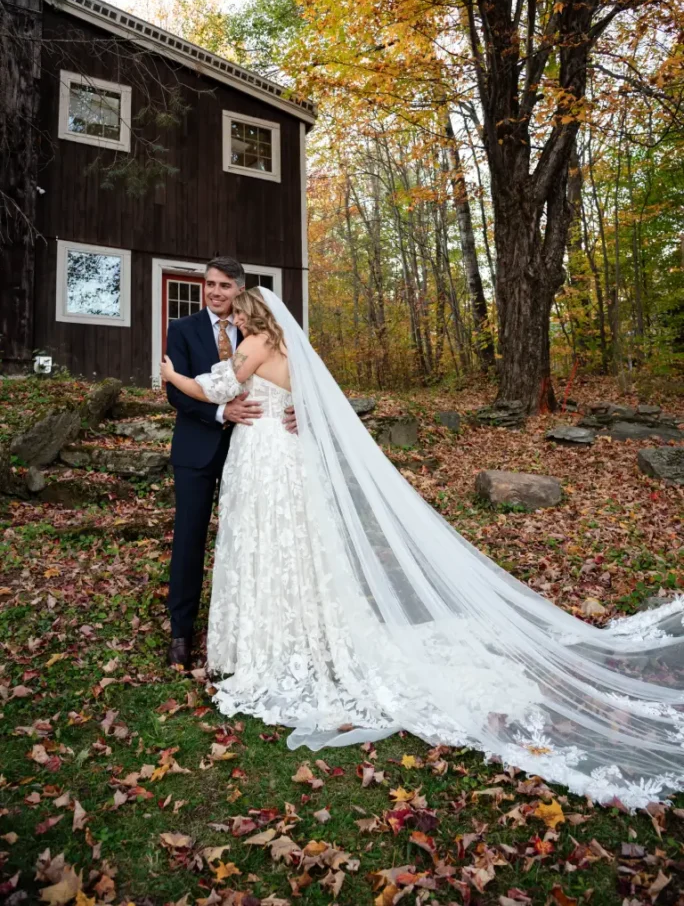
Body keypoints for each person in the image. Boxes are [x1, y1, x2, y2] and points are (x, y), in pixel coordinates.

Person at [161, 287, 684, 809]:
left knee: (272, 542)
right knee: (295, 546)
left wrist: (171, 375)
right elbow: (314, 398)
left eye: (239, 311)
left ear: (253, 314)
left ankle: (277, 643)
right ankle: (296, 632)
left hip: (268, 459)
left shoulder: (253, 345)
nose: (234, 317)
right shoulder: (289, 348)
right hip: (285, 457)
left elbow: (214, 388)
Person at [164, 257, 294, 670]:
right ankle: (181, 633)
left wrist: (303, 410)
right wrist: (223, 413)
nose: (215, 292)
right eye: (209, 284)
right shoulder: (181, 329)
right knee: (189, 539)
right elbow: (177, 395)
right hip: (198, 449)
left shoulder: (261, 330)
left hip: (257, 452)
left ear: (240, 289)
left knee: (259, 536)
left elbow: (305, 381)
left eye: (223, 285)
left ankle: (255, 626)